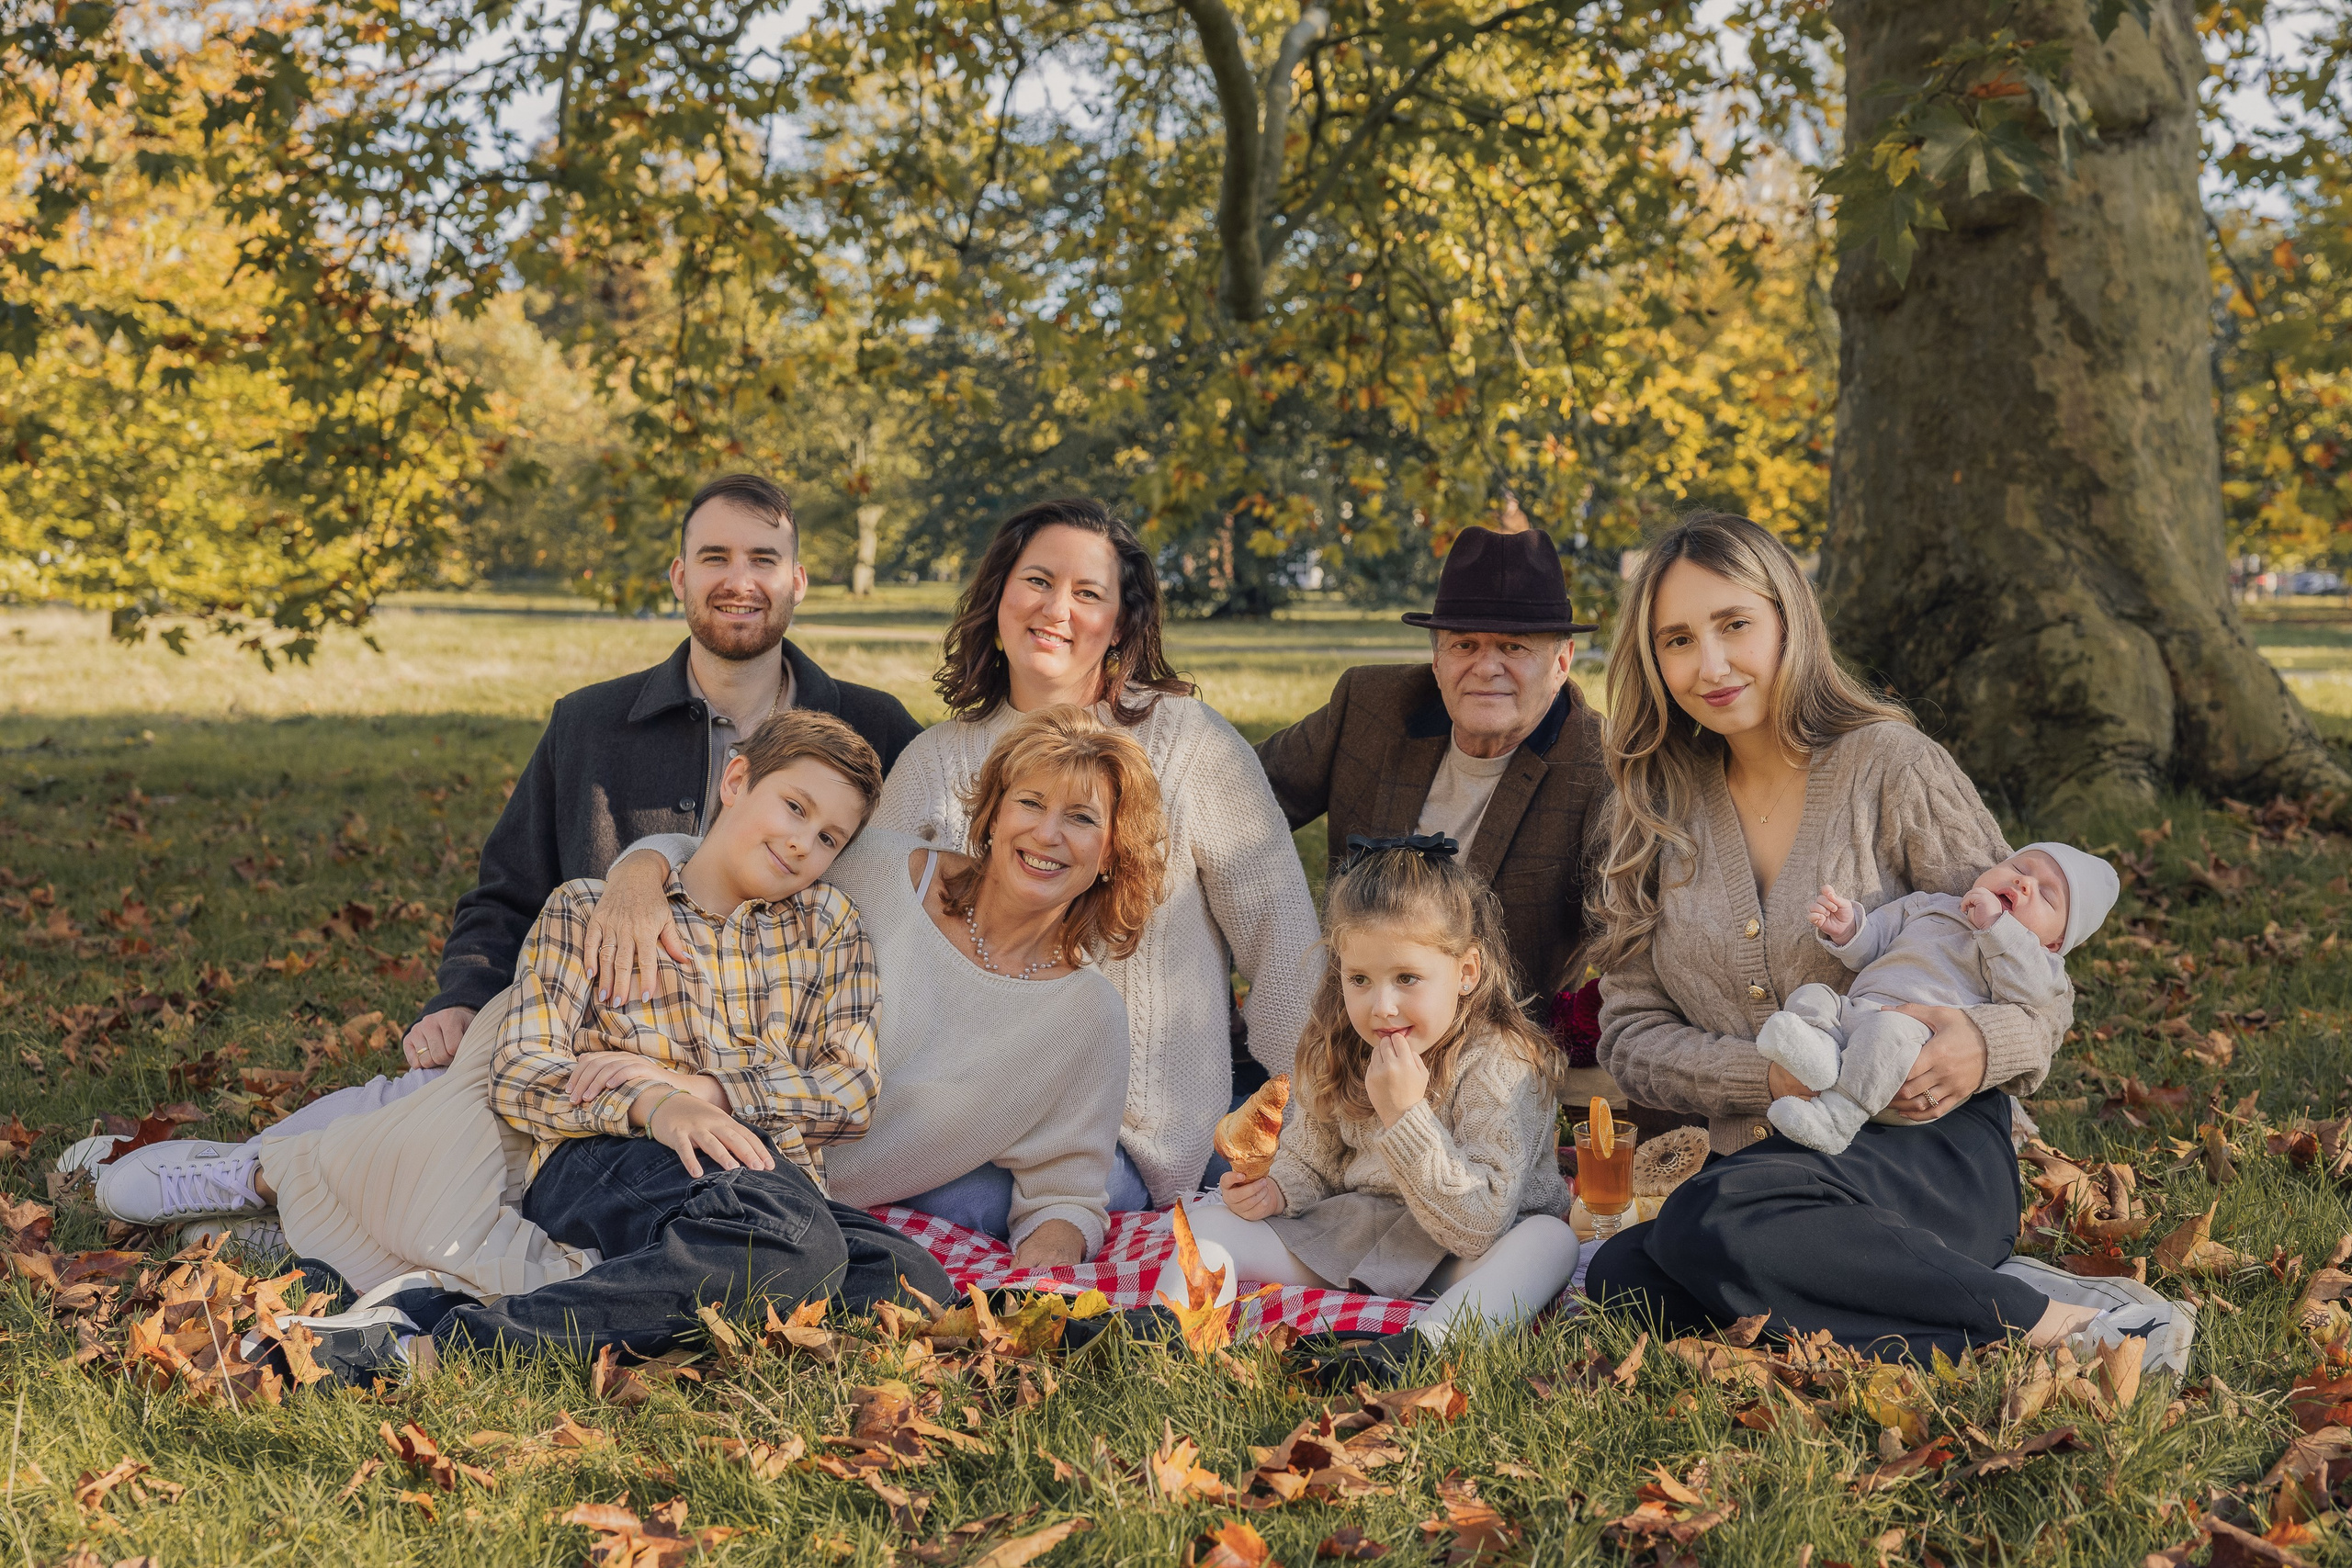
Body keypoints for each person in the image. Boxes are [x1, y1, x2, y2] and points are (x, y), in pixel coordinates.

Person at [1579, 511, 2191, 1370]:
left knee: (1711, 1226)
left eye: (1734, 625)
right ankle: (2000, 1304)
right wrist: (1772, 1076)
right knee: (1624, 1279)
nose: (1709, 665)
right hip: (1766, 1168)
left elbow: (2039, 988)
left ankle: (2071, 1327)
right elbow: (1631, 1035)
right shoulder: (1647, 808)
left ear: (1788, 619)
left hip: (1929, 1147)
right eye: (1677, 639)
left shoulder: (1890, 766)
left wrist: (1978, 1045)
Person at [590, 497, 1320, 1213]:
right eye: (1037, 580)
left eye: (1088, 593)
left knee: (896, 1200)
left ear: (1122, 621)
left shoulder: (1190, 746)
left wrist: (1323, 1138)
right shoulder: (938, 761)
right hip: (936, 1115)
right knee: (753, 1170)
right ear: (999, 594)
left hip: (1119, 1139)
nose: (1055, 609)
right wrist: (647, 863)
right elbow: (798, 869)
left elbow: (1284, 947)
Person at [620, 706, 1165, 1267]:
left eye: (1081, 818)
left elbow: (1064, 1192)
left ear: (1111, 853)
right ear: (994, 814)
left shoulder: (1088, 1017)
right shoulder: (881, 869)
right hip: (680, 1131)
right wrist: (640, 871)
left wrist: (1038, 1291)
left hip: (806, 1213)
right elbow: (731, 856)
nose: (1047, 834)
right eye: (1030, 802)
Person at [1161, 837, 1577, 1371]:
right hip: (1356, 1234)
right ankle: (1172, 1337)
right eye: (1360, 979)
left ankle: (1424, 1349)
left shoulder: (1503, 1061)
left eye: (1407, 978)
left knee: (1551, 1242)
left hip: (1466, 1254)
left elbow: (1479, 1226)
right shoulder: (1338, 1043)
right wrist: (1275, 1189)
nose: (1382, 1007)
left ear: (1467, 971)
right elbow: (1315, 1163)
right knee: (1207, 1224)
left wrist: (1407, 1117)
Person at [1255, 526, 1626, 1105]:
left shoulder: (1600, 769)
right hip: (1345, 1047)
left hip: (1490, 1074)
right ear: (1436, 656)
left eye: (1514, 647)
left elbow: (1629, 942)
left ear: (1563, 661)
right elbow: (1237, 801)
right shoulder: (1370, 708)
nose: (1486, 667)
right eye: (1465, 645)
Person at [1760, 845, 2119, 1153]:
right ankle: (1818, 1054)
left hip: (1911, 1052)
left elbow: (2032, 993)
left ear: (2054, 943)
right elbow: (1877, 941)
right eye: (2019, 868)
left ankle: (1836, 1117)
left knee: (1887, 1031)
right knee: (1814, 996)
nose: (2024, 883)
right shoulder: (1929, 904)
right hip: (1856, 1014)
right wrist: (1851, 929)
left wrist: (1997, 927)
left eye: (2046, 895)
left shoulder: (2034, 961)